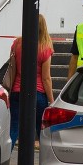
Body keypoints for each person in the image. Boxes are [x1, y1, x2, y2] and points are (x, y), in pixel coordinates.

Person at [8, 14, 54, 151]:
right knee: (41, 131)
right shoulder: (45, 48)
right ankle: (46, 162)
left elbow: (12, 68)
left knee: (13, 129)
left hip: (17, 91)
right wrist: (51, 100)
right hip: (38, 93)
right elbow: (46, 78)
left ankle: (3, 164)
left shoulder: (17, 43)